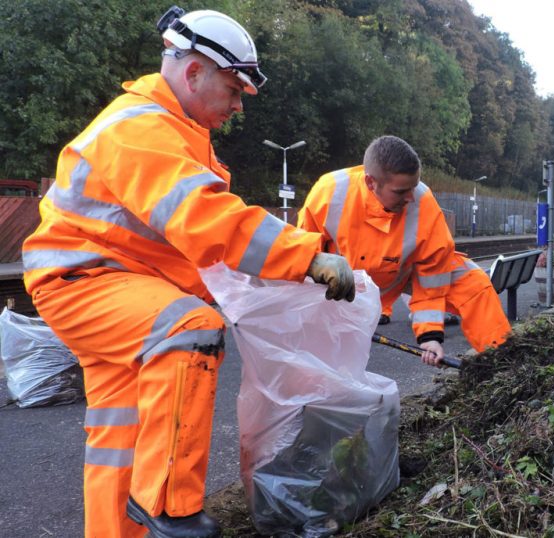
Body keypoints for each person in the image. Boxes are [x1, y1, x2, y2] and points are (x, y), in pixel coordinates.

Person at [21, 7, 355, 538]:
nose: (239, 105)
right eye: (234, 88)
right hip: (89, 280)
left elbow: (182, 243)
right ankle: (171, 508)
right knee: (190, 330)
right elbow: (203, 218)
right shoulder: (142, 128)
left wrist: (258, 289)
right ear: (194, 71)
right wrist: (304, 256)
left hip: (105, 283)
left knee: (119, 431)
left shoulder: (174, 130)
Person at [297, 135, 511, 365]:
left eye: (414, 187)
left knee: (473, 283)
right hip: (344, 286)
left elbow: (433, 275)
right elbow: (305, 255)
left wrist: (429, 335)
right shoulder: (330, 193)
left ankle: (503, 362)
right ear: (371, 183)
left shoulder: (423, 202)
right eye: (400, 191)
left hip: (402, 274)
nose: (410, 197)